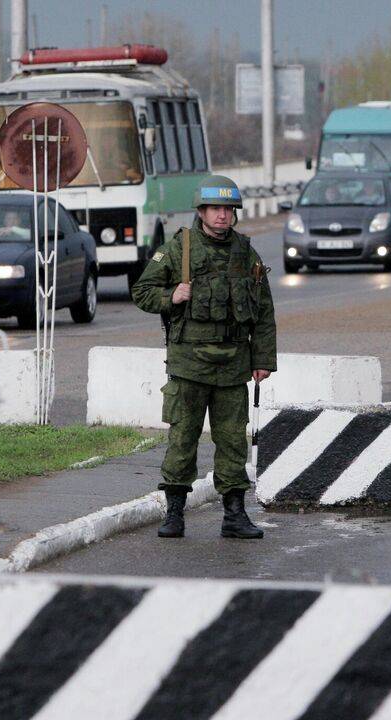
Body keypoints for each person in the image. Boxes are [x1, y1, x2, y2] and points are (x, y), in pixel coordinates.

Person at [132, 175, 277, 540]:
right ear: (201, 211)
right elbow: (142, 290)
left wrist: (262, 360)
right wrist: (172, 297)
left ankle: (234, 515)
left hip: (232, 366)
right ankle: (175, 513)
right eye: (215, 209)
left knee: (232, 442)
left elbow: (263, 312)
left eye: (228, 209)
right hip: (188, 364)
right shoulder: (180, 248)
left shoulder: (246, 253)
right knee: (183, 439)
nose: (222, 216)